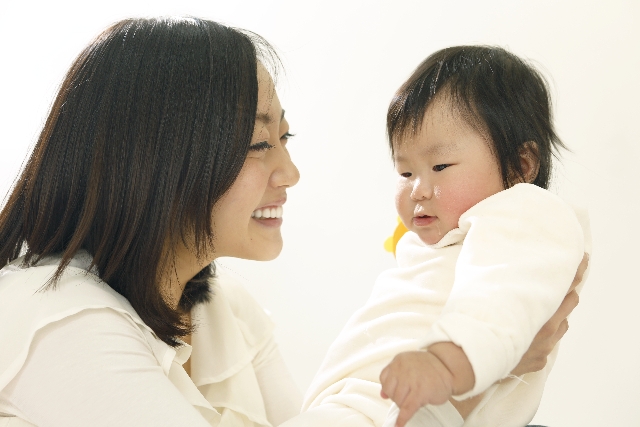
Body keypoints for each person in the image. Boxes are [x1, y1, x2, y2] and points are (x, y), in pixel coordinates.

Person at [0, 19, 584, 427]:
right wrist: (470, 381)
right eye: (259, 143)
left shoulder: (226, 315)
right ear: (160, 158)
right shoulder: (53, 315)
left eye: (286, 138)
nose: (290, 172)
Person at [287, 46, 591, 427]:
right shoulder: (453, 235)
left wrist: (442, 364)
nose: (417, 189)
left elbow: (497, 299)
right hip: (352, 408)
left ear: (520, 166)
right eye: (405, 172)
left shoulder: (526, 212)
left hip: (394, 410)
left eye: (440, 166)